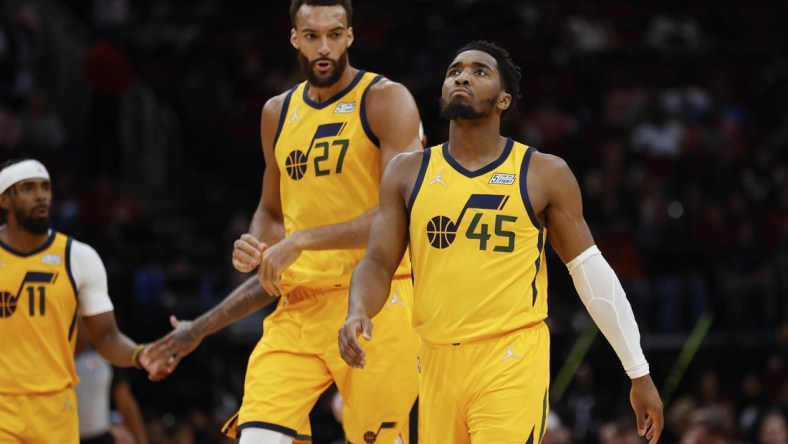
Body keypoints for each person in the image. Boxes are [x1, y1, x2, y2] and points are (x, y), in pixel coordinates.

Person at [338, 40, 664, 444]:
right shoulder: (406, 173)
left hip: (510, 357)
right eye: (454, 70)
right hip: (436, 359)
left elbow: (591, 274)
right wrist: (357, 311)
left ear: (504, 100)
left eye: (479, 71)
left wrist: (638, 371)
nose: (462, 76)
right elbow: (377, 262)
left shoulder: (543, 173)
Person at [146, 1, 422, 443]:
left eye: (334, 34)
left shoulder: (386, 100)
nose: (324, 46)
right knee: (258, 436)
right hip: (297, 307)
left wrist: (303, 241)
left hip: (378, 304)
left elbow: (402, 214)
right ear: (295, 38)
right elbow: (271, 212)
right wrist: (257, 243)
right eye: (312, 36)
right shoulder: (277, 111)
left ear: (350, 35)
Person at [0, 158, 165, 443]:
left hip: (56, 409)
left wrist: (139, 354)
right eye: (27, 188)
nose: (40, 195)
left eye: (45, 187)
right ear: (4, 199)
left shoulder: (79, 257)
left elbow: (108, 338)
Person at [75, 317, 149, 444]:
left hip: (100, 438)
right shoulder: (54, 356)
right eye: (78, 324)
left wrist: (141, 440)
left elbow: (125, 403)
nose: (82, 328)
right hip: (62, 436)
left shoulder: (106, 355)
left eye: (85, 323)